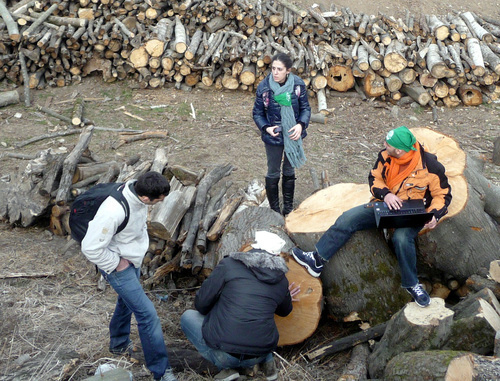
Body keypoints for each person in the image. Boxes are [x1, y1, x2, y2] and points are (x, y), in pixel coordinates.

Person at [291, 126, 452, 308]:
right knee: (348, 218)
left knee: (401, 238)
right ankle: (317, 259)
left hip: (412, 213)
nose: (384, 144)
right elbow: (375, 178)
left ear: (399, 150)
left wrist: (435, 215)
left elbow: (443, 195)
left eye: (388, 143)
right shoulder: (385, 156)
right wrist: (386, 195)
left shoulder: (430, 165)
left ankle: (412, 284)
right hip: (384, 205)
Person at [81, 171, 177, 381]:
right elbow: (90, 248)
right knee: (148, 315)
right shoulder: (113, 211)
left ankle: (118, 344)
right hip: (119, 265)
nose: (160, 202)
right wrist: (117, 264)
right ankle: (161, 372)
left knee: (126, 303)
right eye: (158, 200)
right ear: (145, 198)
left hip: (131, 259)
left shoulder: (137, 189)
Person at [180, 231, 301, 381]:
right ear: (276, 255)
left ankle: (225, 370)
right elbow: (285, 311)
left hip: (226, 354)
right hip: (260, 353)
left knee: (187, 317)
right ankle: (268, 362)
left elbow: (201, 305)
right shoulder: (281, 279)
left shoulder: (229, 265)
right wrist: (284, 293)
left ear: (253, 247)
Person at [253, 53, 311, 216]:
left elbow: (305, 108)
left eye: (279, 69)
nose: (275, 72)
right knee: (273, 171)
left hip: (293, 134)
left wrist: (301, 125)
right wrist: (266, 128)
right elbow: (257, 113)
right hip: (273, 136)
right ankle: (274, 210)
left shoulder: (298, 85)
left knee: (289, 170)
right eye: (273, 68)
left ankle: (288, 208)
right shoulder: (264, 87)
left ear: (288, 71)